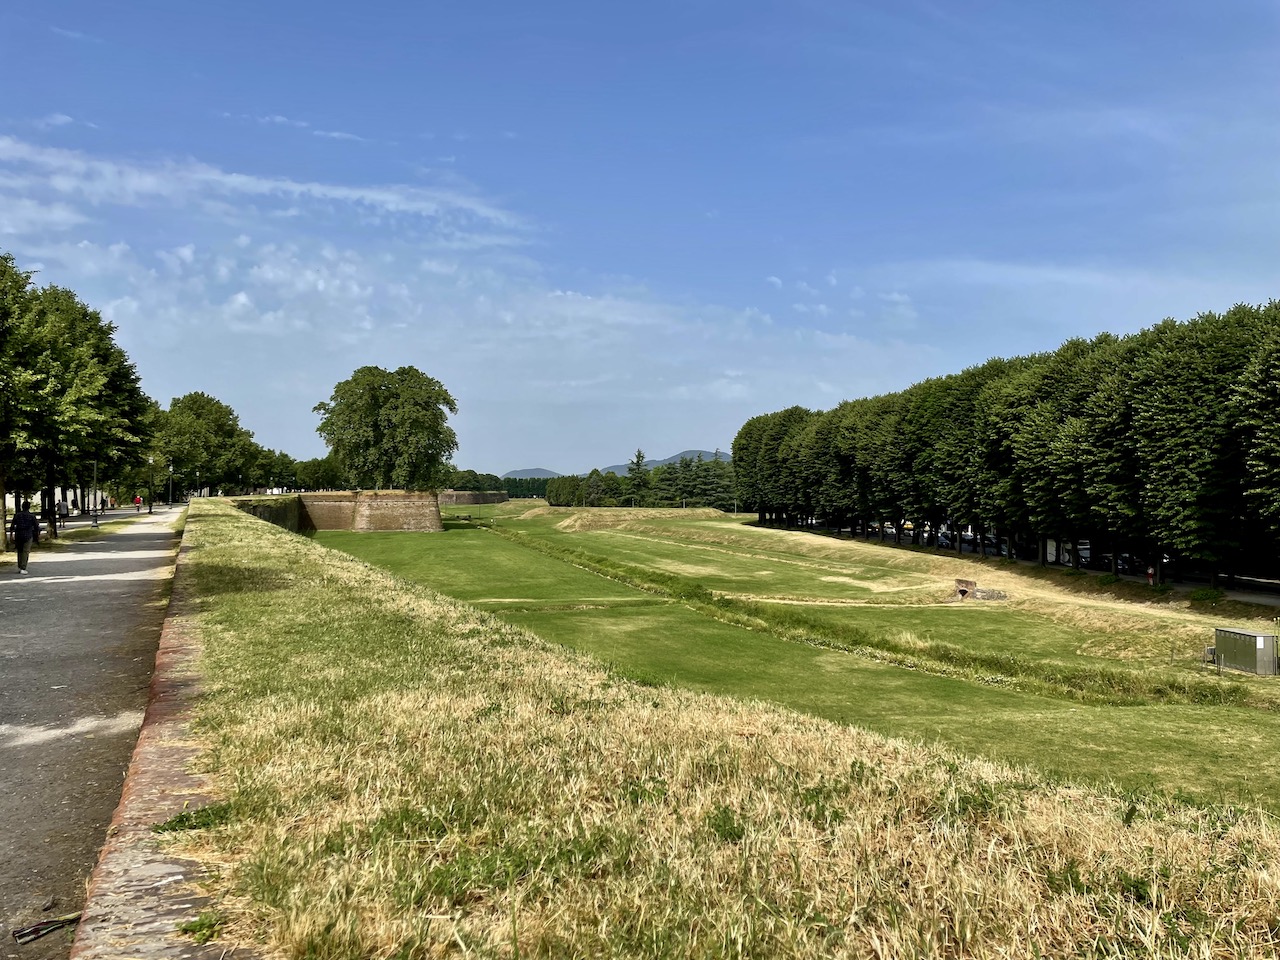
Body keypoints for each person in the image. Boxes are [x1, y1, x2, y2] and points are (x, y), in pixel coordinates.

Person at [10, 500, 40, 575]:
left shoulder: (17, 515)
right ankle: (23, 567)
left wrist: (11, 535)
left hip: (19, 534)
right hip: (28, 534)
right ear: (29, 507)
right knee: (25, 551)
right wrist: (37, 535)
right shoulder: (32, 516)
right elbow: (36, 526)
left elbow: (12, 526)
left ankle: (20, 565)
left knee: (19, 551)